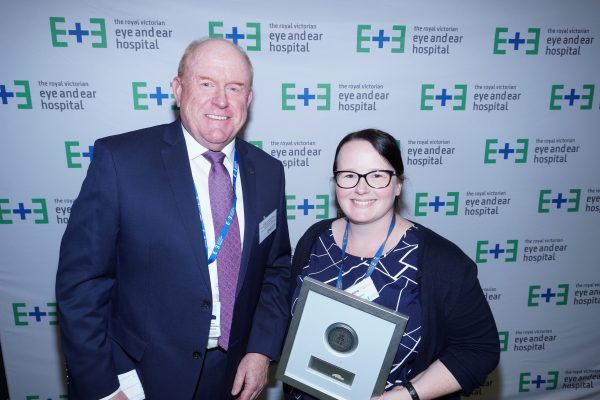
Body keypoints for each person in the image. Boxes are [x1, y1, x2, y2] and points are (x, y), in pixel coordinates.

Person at [56, 38, 292, 400]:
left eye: (234, 87)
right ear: (178, 90)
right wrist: (104, 388)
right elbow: (82, 285)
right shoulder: (120, 162)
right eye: (206, 83)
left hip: (232, 376)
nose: (221, 100)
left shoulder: (269, 171)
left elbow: (275, 268)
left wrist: (261, 350)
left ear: (248, 99)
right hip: (139, 376)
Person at [289, 129, 499, 400]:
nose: (360, 188)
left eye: (377, 175)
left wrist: (405, 395)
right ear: (336, 183)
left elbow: (479, 350)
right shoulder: (315, 239)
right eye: (349, 175)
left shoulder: (442, 261)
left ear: (398, 184)